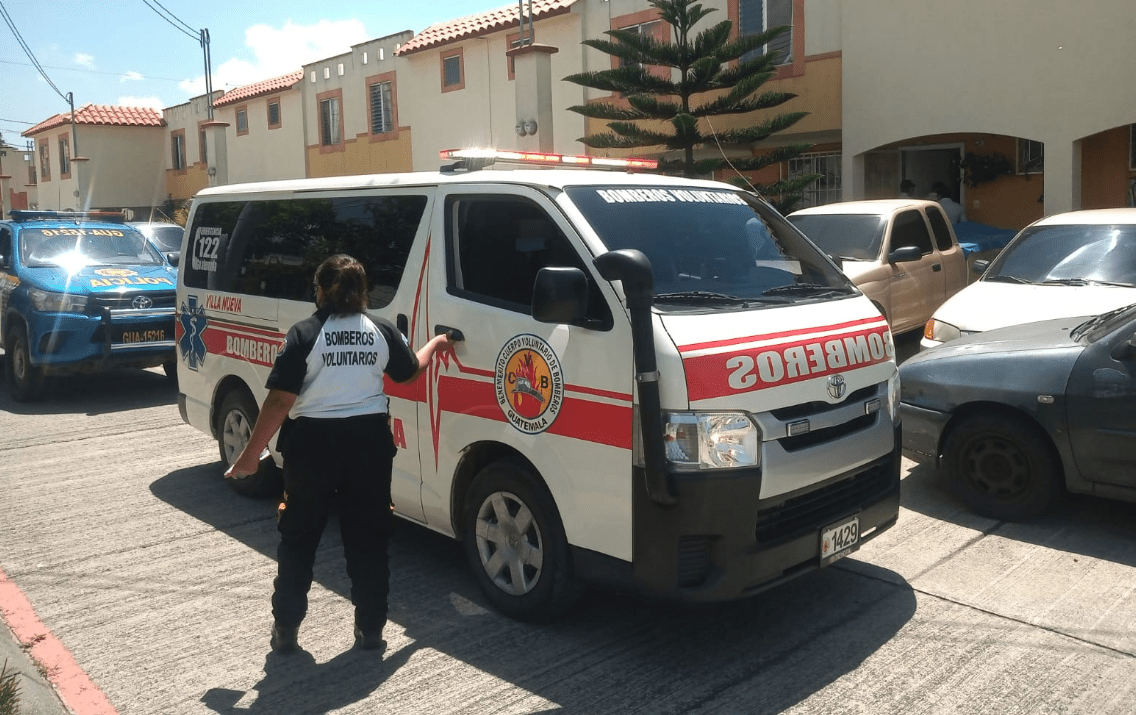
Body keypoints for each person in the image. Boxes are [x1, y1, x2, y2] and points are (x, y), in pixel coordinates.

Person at [225, 254, 453, 655]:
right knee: (368, 538)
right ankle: (371, 630)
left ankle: (286, 631)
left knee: (298, 537)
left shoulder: (305, 334)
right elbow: (409, 371)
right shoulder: (380, 330)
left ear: (319, 290)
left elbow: (280, 400)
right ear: (363, 291)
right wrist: (435, 343)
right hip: (368, 447)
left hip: (311, 448)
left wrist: (250, 455)